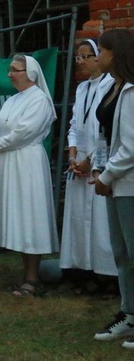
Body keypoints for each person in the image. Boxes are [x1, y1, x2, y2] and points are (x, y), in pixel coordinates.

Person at [0, 54, 58, 297]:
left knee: (30, 217)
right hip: (9, 163)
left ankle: (32, 277)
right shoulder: (12, 100)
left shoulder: (40, 100)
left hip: (27, 164)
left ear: (30, 74)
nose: (10, 73)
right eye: (10, 69)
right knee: (18, 218)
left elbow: (24, 132)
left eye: (15, 70)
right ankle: (26, 273)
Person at [60, 39, 116, 294]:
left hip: (98, 160)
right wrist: (72, 152)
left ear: (98, 58)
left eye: (85, 56)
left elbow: (104, 129)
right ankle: (84, 270)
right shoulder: (82, 87)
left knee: (100, 220)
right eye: (77, 57)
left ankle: (108, 275)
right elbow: (75, 124)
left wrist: (90, 160)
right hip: (79, 161)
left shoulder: (109, 85)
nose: (80, 61)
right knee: (78, 218)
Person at [90, 29, 134, 347]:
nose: (97, 57)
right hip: (113, 180)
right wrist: (99, 167)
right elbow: (106, 135)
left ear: (114, 54)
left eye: (101, 51)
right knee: (122, 253)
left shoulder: (131, 91)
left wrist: (106, 177)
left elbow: (131, 146)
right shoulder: (111, 86)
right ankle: (129, 313)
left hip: (128, 183)